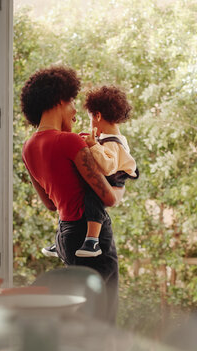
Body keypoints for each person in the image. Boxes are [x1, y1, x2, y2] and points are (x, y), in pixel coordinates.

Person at [20, 65, 124, 322]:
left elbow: (49, 204)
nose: (76, 111)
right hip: (91, 237)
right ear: (59, 100)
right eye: (72, 102)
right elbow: (108, 198)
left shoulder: (28, 147)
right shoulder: (70, 141)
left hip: (65, 234)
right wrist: (120, 175)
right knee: (102, 318)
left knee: (80, 315)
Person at [41, 85, 138, 258]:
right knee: (73, 195)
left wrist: (93, 146)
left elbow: (108, 166)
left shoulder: (113, 142)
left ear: (98, 116)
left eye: (91, 119)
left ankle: (92, 240)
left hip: (113, 180)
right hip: (109, 177)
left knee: (92, 199)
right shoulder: (107, 140)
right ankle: (61, 241)